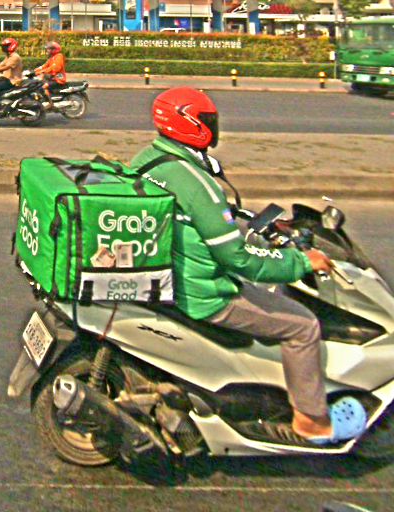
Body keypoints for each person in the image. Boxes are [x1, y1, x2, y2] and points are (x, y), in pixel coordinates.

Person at [131, 87, 367, 445]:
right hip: (205, 293)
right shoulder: (198, 185)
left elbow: (199, 219)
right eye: (208, 120)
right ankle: (311, 422)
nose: (214, 126)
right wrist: (300, 261)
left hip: (169, 276)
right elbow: (238, 259)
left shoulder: (149, 160)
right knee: (303, 325)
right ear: (190, 123)